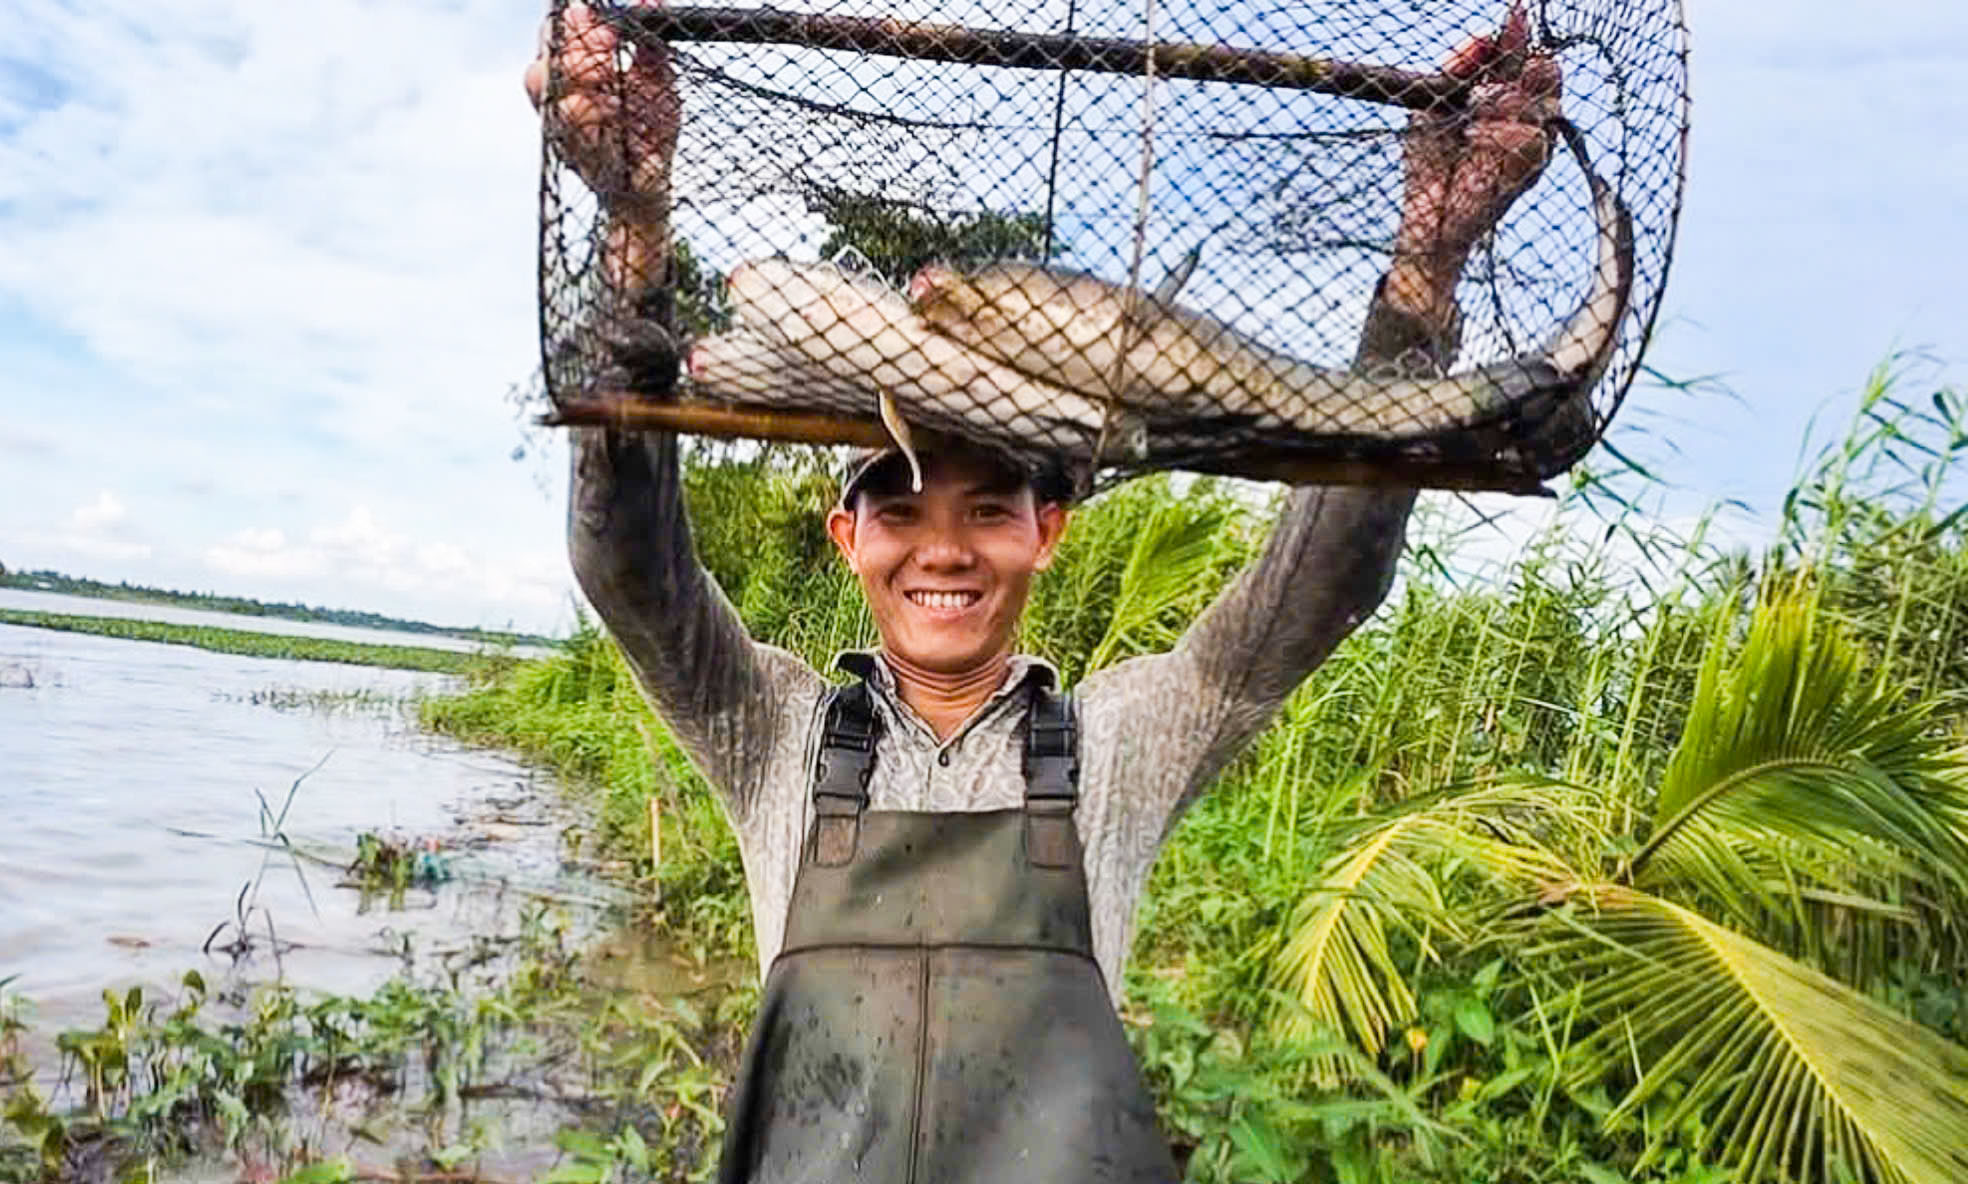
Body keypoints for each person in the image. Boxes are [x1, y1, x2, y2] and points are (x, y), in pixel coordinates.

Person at [525, 5, 1561, 1180]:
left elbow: (1321, 585)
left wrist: (1430, 253)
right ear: (846, 535)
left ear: (1048, 531)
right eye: (902, 508)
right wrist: (632, 219)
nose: (944, 550)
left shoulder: (1121, 740)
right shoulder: (775, 733)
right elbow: (631, 573)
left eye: (988, 509)